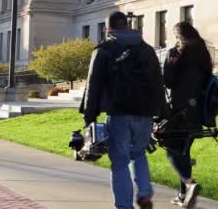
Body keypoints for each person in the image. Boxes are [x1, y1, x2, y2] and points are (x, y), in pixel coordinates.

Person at [80, 11, 165, 209]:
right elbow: (157, 82)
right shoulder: (147, 50)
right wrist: (162, 112)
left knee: (119, 162)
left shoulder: (103, 50)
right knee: (139, 153)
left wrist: (89, 116)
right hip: (145, 114)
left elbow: (94, 85)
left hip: (118, 114)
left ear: (108, 29)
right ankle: (144, 193)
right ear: (127, 26)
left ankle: (124, 206)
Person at [162, 22, 211, 208]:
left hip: (178, 110)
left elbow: (168, 81)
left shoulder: (176, 53)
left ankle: (189, 184)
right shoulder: (203, 53)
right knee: (184, 151)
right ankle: (183, 195)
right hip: (197, 110)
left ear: (178, 36)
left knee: (172, 149)